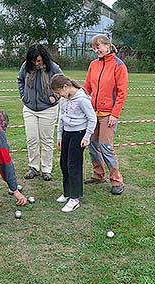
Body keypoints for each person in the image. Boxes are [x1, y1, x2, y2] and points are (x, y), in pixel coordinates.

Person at [83, 34, 128, 195]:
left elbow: (122, 93)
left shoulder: (118, 65)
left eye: (98, 47)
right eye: (94, 48)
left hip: (108, 114)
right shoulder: (93, 65)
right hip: (92, 114)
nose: (96, 50)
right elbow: (87, 87)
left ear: (108, 46)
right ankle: (98, 174)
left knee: (106, 147)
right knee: (93, 145)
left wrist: (115, 114)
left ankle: (117, 180)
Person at [51, 74, 97, 212]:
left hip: (79, 135)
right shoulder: (64, 99)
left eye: (59, 92)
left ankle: (75, 198)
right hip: (66, 133)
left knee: (73, 165)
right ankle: (67, 192)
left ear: (65, 87)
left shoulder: (82, 99)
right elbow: (61, 118)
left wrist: (87, 137)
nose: (59, 95)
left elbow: (92, 119)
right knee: (63, 163)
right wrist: (59, 136)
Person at [17, 44, 62, 181]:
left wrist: (55, 97)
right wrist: (24, 96)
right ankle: (33, 167)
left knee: (47, 140)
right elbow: (20, 80)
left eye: (38, 60)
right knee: (31, 139)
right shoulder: (26, 66)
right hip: (29, 108)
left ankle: (46, 169)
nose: (35, 63)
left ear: (44, 57)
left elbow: (62, 83)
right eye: (33, 60)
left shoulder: (53, 68)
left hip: (48, 109)